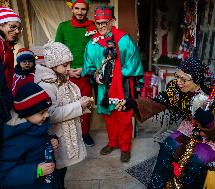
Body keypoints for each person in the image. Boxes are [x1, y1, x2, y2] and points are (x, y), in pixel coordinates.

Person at [116, 57, 215, 188]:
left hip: (214, 136)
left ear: (196, 79)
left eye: (184, 79)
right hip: (191, 128)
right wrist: (133, 103)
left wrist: (209, 120)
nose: (179, 82)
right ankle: (157, 185)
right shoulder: (177, 89)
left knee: (196, 160)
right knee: (168, 145)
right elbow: (159, 102)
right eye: (177, 77)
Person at [82, 5, 144, 162]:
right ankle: (113, 142)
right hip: (103, 87)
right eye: (98, 23)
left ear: (112, 21)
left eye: (105, 22)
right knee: (109, 116)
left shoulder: (124, 39)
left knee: (123, 116)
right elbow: (88, 66)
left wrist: (113, 75)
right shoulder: (92, 44)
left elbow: (134, 63)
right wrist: (96, 77)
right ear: (94, 23)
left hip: (122, 85)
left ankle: (125, 147)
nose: (102, 26)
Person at [34, 42, 93, 188]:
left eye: (69, 64)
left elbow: (65, 101)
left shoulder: (59, 77)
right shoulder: (46, 84)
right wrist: (78, 106)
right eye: (65, 65)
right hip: (55, 136)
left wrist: (81, 104)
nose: (68, 69)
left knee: (62, 169)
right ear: (53, 64)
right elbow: (50, 114)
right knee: (55, 171)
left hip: (62, 136)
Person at [0, 82, 60, 189]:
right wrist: (36, 170)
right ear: (26, 113)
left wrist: (52, 140)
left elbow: (39, 141)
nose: (47, 115)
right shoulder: (15, 140)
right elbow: (4, 174)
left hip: (48, 181)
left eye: (46, 111)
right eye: (42, 112)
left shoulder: (36, 125)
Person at [55, 0, 95, 146]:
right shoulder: (63, 26)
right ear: (72, 9)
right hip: (67, 74)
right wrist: (67, 71)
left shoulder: (92, 27)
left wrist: (85, 69)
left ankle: (85, 133)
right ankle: (70, 135)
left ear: (87, 10)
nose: (80, 12)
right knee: (67, 105)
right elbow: (57, 52)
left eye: (83, 9)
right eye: (77, 8)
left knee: (87, 104)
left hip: (85, 74)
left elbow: (96, 53)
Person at [0, 6, 22, 90]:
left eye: (18, 28)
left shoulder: (7, 46)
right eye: (13, 26)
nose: (17, 31)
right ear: (1, 25)